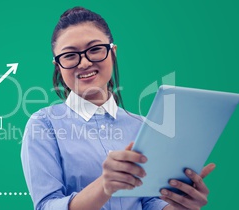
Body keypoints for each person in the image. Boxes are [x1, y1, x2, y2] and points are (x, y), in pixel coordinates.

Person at [20, 6, 216, 210]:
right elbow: (46, 206)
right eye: (70, 55)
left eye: (95, 49)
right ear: (58, 65)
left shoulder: (143, 126)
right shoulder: (43, 124)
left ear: (112, 52)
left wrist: (180, 205)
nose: (85, 62)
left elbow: (149, 201)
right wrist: (104, 186)